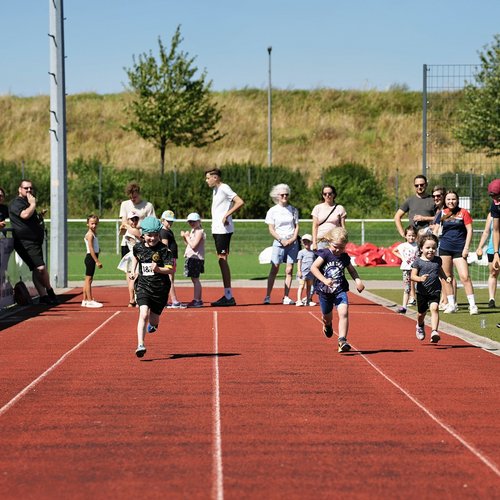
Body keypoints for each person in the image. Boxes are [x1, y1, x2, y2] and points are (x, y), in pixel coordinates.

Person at [310, 227, 365, 353]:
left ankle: (342, 340)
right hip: (325, 292)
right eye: (336, 246)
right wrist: (324, 280)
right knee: (326, 317)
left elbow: (352, 270)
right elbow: (313, 268)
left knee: (344, 312)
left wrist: (358, 281)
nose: (338, 250)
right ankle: (327, 325)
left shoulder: (344, 256)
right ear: (330, 242)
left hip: (339, 290)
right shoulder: (325, 254)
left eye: (342, 247)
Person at [130, 216, 174, 358]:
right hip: (143, 286)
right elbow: (136, 257)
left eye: (156, 235)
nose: (153, 238)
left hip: (160, 289)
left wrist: (158, 269)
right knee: (143, 314)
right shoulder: (138, 247)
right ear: (143, 234)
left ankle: (154, 325)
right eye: (149, 235)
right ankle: (140, 344)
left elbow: (171, 269)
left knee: (153, 319)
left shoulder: (164, 250)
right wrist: (132, 270)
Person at [8, 179, 57, 305]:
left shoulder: (27, 202)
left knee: (36, 269)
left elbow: (29, 219)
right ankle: (50, 291)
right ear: (20, 189)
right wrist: (33, 205)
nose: (29, 190)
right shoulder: (17, 203)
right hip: (25, 242)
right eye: (26, 188)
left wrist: (39, 216)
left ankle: (43, 296)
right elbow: (24, 215)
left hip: (34, 241)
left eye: (31, 188)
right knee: (40, 268)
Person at [204, 168, 245, 307]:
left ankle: (228, 296)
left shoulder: (224, 188)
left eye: (208, 178)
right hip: (217, 229)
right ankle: (227, 295)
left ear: (215, 178)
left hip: (223, 230)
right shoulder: (215, 190)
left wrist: (227, 215)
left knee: (222, 260)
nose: (206, 180)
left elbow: (239, 201)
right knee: (221, 261)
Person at [434, 190, 478, 315]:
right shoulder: (442, 213)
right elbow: (436, 230)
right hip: (445, 249)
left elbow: (470, 230)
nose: (451, 201)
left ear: (457, 200)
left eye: (453, 199)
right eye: (448, 199)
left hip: (460, 249)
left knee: (465, 277)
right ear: (445, 201)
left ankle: (473, 305)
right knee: (447, 277)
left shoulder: (463, 213)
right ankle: (451, 304)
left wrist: (466, 248)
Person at [411, 233, 452, 343]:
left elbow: (439, 271)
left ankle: (434, 331)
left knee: (434, 308)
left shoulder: (438, 260)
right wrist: (420, 279)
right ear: (421, 248)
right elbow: (412, 276)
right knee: (421, 314)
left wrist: (445, 277)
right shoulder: (418, 262)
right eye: (428, 247)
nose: (431, 250)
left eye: (433, 248)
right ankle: (420, 325)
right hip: (422, 291)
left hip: (435, 290)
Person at [263, 183, 300, 305]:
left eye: (286, 194)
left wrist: (293, 239)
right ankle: (268, 296)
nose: (284, 196)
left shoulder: (293, 210)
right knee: (275, 268)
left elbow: (296, 226)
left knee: (289, 270)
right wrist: (281, 239)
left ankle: (286, 296)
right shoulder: (272, 211)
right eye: (282, 194)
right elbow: (271, 229)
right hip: (279, 243)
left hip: (292, 243)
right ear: (277, 196)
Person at [119, 182, 155, 257]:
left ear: (139, 194)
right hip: (127, 241)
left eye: (134, 197)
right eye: (130, 197)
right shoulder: (124, 204)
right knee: (127, 267)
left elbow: (151, 224)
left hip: (142, 241)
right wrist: (133, 230)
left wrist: (137, 229)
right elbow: (124, 223)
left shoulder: (148, 206)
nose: (132, 199)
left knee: (141, 266)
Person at [180, 212, 206, 308]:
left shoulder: (199, 231)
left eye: (194, 221)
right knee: (194, 279)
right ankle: (198, 299)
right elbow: (189, 244)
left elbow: (194, 246)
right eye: (190, 222)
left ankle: (197, 300)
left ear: (199, 221)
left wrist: (186, 236)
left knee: (195, 279)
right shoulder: (193, 231)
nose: (192, 223)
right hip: (192, 257)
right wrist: (185, 237)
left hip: (196, 258)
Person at [160, 210, 184, 309]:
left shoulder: (168, 231)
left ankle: (165, 301)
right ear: (162, 220)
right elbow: (165, 246)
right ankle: (174, 300)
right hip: (169, 259)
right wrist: (167, 259)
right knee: (170, 280)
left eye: (171, 221)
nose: (170, 223)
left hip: (172, 258)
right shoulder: (164, 232)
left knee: (169, 280)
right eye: (168, 221)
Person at [311, 184, 347, 251]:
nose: (327, 195)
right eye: (325, 194)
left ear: (334, 194)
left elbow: (343, 227)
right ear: (323, 195)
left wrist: (343, 242)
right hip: (321, 240)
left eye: (329, 193)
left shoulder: (340, 208)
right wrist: (314, 243)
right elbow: (314, 227)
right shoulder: (317, 208)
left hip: (335, 242)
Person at [392, 226, 418, 314]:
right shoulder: (403, 245)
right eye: (409, 235)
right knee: (407, 288)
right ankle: (404, 306)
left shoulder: (417, 245)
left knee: (420, 287)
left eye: (413, 235)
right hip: (406, 269)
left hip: (416, 269)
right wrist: (402, 258)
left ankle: (423, 303)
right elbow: (394, 251)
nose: (411, 237)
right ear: (405, 236)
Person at [119, 210, 142, 307]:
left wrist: (125, 225)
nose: (134, 221)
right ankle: (133, 299)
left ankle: (132, 299)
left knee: (132, 278)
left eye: (136, 219)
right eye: (132, 219)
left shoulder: (132, 229)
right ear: (128, 220)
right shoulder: (132, 230)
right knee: (134, 278)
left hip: (133, 255)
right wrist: (126, 225)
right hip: (134, 256)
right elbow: (135, 232)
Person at [476, 213, 499, 308]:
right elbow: (486, 232)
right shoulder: (491, 214)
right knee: (493, 273)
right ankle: (491, 299)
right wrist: (480, 247)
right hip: (492, 249)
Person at [82, 214, 103, 308]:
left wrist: (98, 249)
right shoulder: (90, 235)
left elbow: (94, 247)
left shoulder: (94, 234)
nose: (94, 225)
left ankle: (85, 300)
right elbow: (90, 249)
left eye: (95, 224)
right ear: (88, 224)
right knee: (88, 280)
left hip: (92, 257)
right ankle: (89, 300)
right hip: (90, 258)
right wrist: (97, 261)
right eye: (92, 224)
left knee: (88, 280)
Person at [296, 234, 316, 307]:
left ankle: (308, 300)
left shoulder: (313, 253)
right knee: (301, 286)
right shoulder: (301, 252)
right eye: (304, 242)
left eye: (307, 241)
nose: (306, 243)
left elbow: (314, 263)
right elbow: (299, 262)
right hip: (303, 272)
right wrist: (299, 271)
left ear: (311, 242)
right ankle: (299, 300)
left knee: (309, 287)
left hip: (310, 273)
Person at [487, 179, 500, 272]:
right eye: (492, 197)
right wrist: (496, 253)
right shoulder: (495, 205)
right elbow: (496, 230)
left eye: (498, 197)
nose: (495, 200)